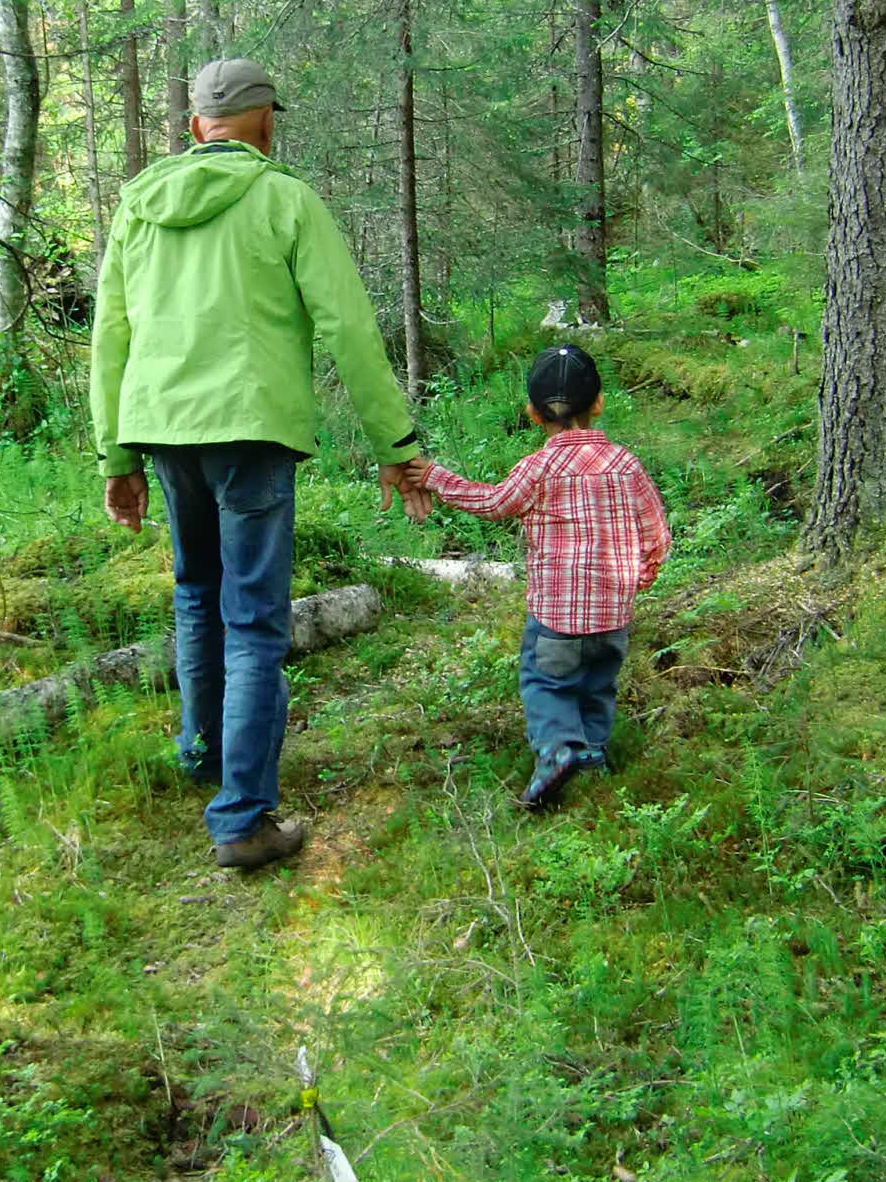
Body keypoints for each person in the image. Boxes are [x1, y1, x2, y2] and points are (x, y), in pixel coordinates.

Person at [90, 57, 428, 871]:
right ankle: (241, 815)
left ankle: (206, 757)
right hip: (253, 432)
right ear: (267, 119)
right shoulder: (284, 200)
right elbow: (348, 329)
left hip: (166, 433)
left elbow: (111, 338)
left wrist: (117, 455)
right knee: (251, 620)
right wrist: (398, 446)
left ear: (195, 127)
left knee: (197, 600)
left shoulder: (139, 206)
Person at [415, 344, 670, 809]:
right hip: (613, 613)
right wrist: (643, 573)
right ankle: (591, 755)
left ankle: (556, 752)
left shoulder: (538, 468)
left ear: (533, 413)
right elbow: (656, 531)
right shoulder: (625, 465)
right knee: (598, 683)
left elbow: (493, 503)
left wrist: (435, 477)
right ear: (598, 402)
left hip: (556, 615)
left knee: (547, 684)